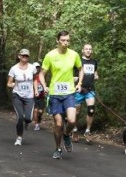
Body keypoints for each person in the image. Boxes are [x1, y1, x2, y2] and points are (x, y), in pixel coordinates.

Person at [38, 30, 83, 159]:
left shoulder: (74, 55)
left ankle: (67, 135)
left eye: (68, 40)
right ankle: (58, 148)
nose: (65, 43)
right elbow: (42, 73)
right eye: (63, 40)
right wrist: (44, 86)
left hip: (69, 93)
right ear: (57, 41)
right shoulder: (50, 55)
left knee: (72, 120)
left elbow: (80, 69)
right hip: (55, 94)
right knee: (58, 124)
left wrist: (79, 83)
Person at [7, 49, 37, 146]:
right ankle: (19, 137)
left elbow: (35, 80)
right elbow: (9, 83)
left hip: (29, 96)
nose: (25, 57)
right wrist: (12, 85)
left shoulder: (32, 68)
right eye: (23, 56)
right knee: (20, 117)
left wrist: (36, 90)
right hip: (17, 95)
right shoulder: (14, 69)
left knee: (28, 118)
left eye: (27, 56)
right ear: (19, 56)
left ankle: (27, 122)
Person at [72, 43, 99, 142]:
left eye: (90, 49)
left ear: (91, 51)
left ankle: (87, 131)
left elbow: (95, 73)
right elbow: (71, 74)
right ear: (82, 50)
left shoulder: (94, 62)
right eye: (86, 49)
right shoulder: (78, 61)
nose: (88, 50)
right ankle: (74, 130)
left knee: (91, 110)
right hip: (79, 90)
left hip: (90, 90)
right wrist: (74, 79)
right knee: (77, 111)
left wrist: (96, 76)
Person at [32, 62, 46, 131]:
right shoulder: (31, 76)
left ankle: (39, 118)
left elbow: (44, 84)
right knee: (35, 110)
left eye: (38, 67)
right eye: (35, 67)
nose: (37, 69)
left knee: (40, 111)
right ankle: (36, 124)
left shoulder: (42, 75)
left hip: (41, 96)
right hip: (34, 96)